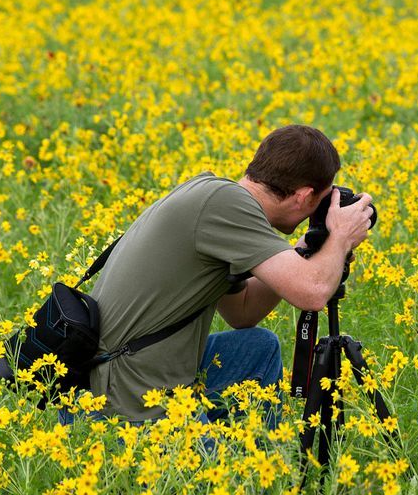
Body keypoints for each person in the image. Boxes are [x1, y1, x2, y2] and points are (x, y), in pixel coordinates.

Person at [59, 125, 374, 425]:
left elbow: (243, 312)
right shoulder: (227, 207)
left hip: (122, 370)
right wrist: (341, 236)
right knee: (228, 480)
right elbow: (313, 293)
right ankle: (249, 466)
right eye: (319, 203)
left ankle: (259, 448)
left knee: (258, 348)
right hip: (122, 392)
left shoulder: (215, 196)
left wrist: (308, 246)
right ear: (304, 196)